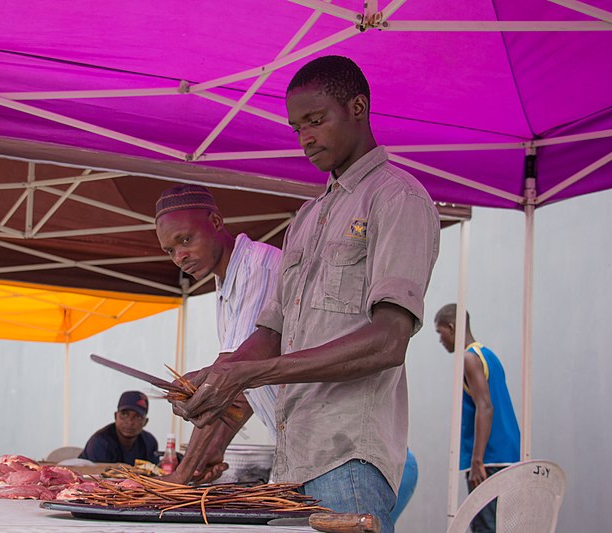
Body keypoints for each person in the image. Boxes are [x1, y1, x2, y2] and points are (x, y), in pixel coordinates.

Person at [167, 55, 440, 532]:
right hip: (291, 461)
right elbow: (271, 331)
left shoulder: (397, 198)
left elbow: (388, 341)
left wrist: (253, 374)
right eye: (297, 128)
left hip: (348, 457)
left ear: (359, 107)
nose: (306, 138)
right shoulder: (307, 217)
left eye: (316, 121)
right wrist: (214, 376)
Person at [154, 184, 281, 484]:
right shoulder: (226, 283)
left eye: (185, 240)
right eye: (170, 250)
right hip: (304, 446)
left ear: (215, 222)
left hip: (342, 450)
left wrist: (182, 475)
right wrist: (213, 449)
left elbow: (229, 376)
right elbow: (243, 393)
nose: (179, 257)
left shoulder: (259, 268)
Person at [435, 303, 521, 533]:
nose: (440, 340)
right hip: (509, 455)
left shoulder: (469, 359)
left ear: (451, 327)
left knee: (486, 527)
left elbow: (485, 407)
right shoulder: (488, 356)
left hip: (489, 459)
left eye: (439, 332)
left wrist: (477, 461)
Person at [79, 391, 161, 466]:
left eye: (137, 417)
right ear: (115, 416)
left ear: (145, 422)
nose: (130, 422)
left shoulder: (150, 442)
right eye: (124, 414)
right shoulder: (100, 442)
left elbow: (155, 474)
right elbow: (96, 477)